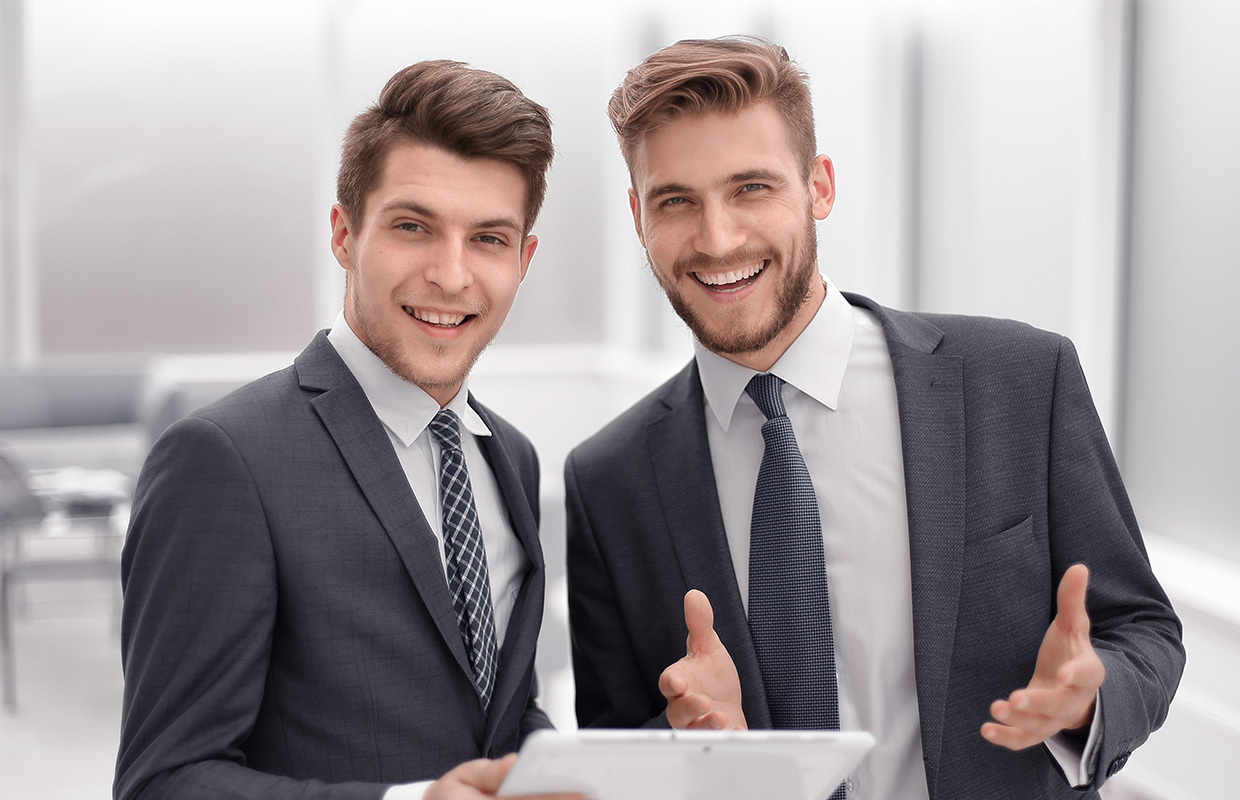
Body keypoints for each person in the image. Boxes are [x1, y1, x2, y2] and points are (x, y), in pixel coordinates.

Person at [565, 36, 1184, 798]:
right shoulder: (608, 480)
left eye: (751, 188)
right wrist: (691, 751)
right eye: (675, 201)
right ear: (637, 216)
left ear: (819, 188)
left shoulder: (1019, 381)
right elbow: (615, 753)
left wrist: (1087, 698)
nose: (717, 238)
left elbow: (1144, 632)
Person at [115, 61, 581, 800]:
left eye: (488, 239)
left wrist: (573, 768)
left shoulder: (509, 459)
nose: (452, 276)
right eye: (412, 227)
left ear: (522, 260)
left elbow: (496, 714)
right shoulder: (223, 460)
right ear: (343, 233)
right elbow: (165, 782)